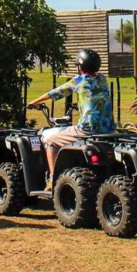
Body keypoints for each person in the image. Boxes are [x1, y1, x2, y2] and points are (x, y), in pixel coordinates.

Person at [26, 48, 113, 180]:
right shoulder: (102, 79)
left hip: (86, 130)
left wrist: (34, 102)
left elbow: (54, 93)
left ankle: (52, 179)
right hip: (108, 129)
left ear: (81, 66)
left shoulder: (78, 80)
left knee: (50, 141)